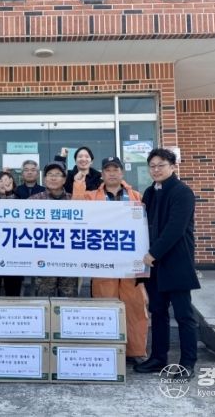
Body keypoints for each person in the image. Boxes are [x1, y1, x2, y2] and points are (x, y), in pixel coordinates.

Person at [72, 156, 149, 364]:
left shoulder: (136, 196)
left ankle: (135, 351)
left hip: (131, 264)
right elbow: (77, 212)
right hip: (103, 263)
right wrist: (78, 184)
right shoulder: (91, 197)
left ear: (122, 173)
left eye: (116, 169)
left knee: (135, 306)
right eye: (108, 170)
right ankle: (108, 351)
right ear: (102, 174)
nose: (112, 173)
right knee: (104, 306)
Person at [133, 148, 200, 379]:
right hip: (154, 265)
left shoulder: (183, 192)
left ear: (173, 166)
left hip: (176, 261)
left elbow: (175, 228)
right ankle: (158, 358)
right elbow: (143, 224)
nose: (156, 170)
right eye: (152, 166)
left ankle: (188, 363)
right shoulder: (150, 192)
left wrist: (154, 253)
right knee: (158, 312)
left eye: (161, 165)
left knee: (183, 315)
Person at [29, 161, 78, 297]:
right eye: (50, 174)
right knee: (44, 300)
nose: (53, 178)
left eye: (57, 174)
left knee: (68, 301)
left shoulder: (74, 200)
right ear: (44, 179)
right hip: (43, 260)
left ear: (64, 180)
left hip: (69, 260)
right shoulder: (33, 201)